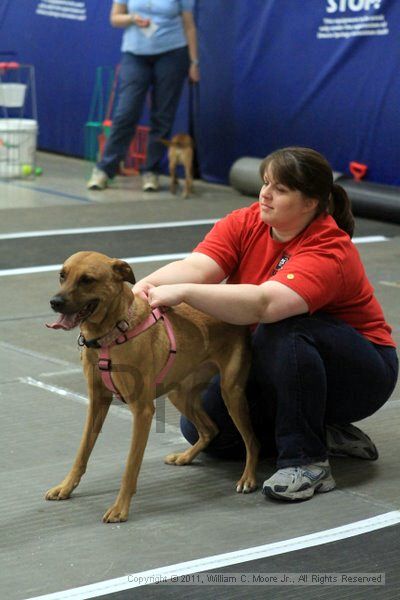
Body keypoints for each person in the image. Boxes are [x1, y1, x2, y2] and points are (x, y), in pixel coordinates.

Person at [132, 147, 398, 502]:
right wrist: (140, 292)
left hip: (360, 374)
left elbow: (265, 305)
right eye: (265, 182)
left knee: (285, 328)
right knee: (205, 429)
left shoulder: (328, 248)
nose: (265, 193)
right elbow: (198, 266)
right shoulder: (246, 221)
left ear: (311, 203)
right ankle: (324, 429)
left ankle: (307, 460)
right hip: (281, 361)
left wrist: (183, 293)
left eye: (281, 189)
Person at [87, 0, 200, 192]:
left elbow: (189, 26)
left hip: (172, 54)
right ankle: (105, 169)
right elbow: (115, 18)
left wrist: (194, 62)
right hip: (135, 54)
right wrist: (132, 18)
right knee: (126, 112)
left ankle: (151, 171)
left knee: (162, 116)